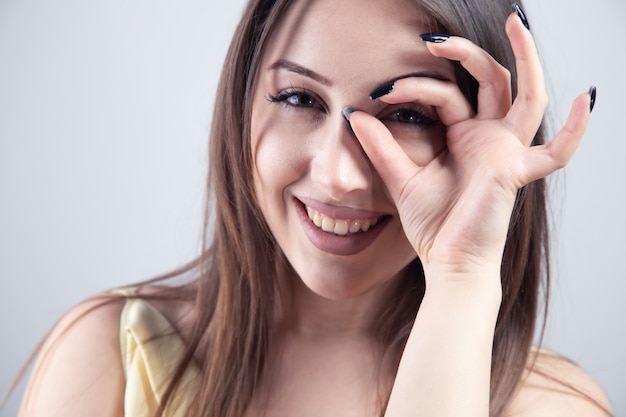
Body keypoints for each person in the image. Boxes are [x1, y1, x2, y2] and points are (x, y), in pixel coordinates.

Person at [14, 0, 611, 416]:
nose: (338, 176)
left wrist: (462, 278)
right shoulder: (107, 358)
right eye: (300, 97)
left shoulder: (550, 406)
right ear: (241, 104)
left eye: (409, 116)